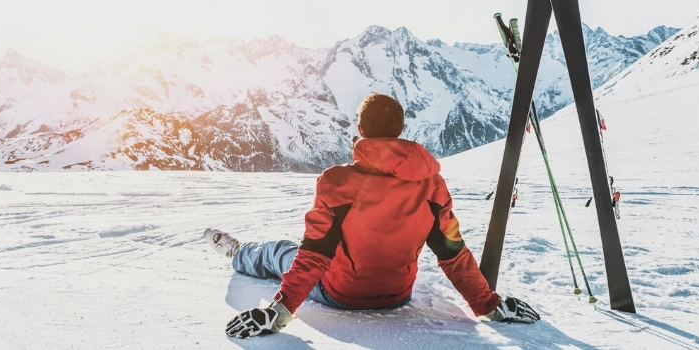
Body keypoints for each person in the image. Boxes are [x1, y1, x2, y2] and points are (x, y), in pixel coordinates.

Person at [205, 93, 540, 339]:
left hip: (341, 294)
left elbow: (313, 255)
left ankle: (239, 253)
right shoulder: (432, 185)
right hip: (398, 294)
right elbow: (453, 253)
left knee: (280, 251)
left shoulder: (336, 182)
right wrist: (488, 305)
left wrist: (279, 312)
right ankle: (243, 253)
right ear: (400, 129)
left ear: (361, 129)